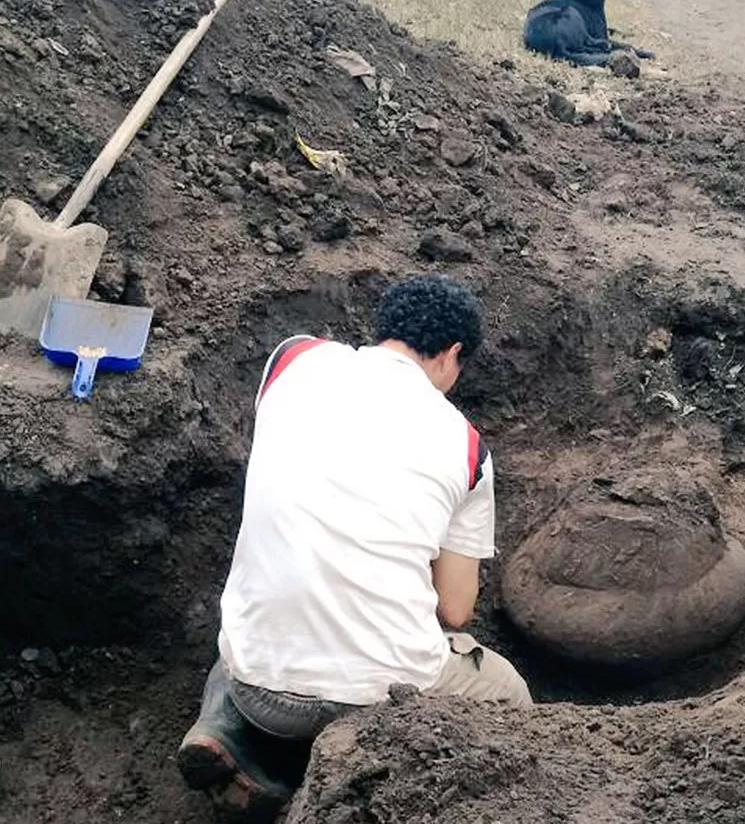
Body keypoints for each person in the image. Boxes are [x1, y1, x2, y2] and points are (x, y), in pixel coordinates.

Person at [176, 274, 531, 821]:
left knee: (248, 617)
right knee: (508, 693)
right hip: (379, 703)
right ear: (452, 354)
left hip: (260, 695)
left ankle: (227, 737)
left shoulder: (293, 360)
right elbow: (455, 609)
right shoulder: (467, 448)